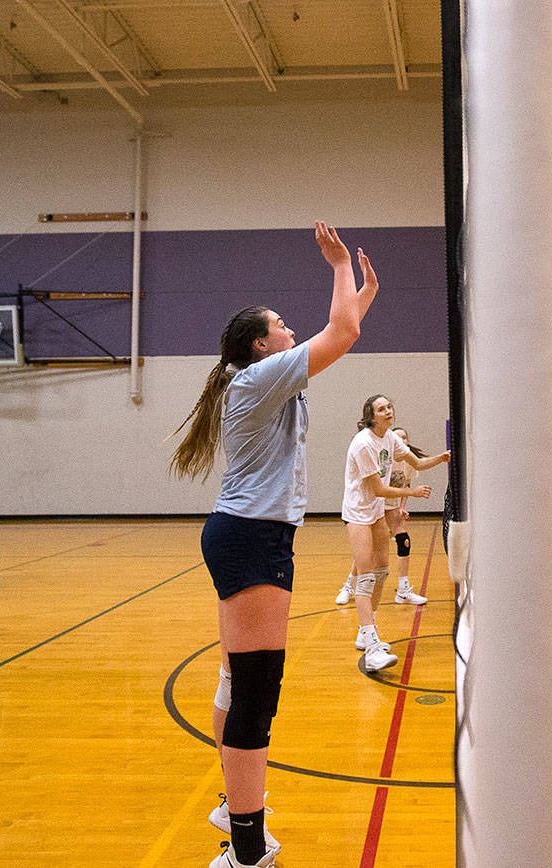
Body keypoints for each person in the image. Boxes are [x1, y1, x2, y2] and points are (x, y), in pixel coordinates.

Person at [168, 222, 377, 868]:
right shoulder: (257, 381)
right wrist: (340, 268)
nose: (293, 332)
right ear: (263, 345)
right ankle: (247, 848)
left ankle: (231, 809)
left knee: (239, 677)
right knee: (256, 694)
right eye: (283, 326)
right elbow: (341, 336)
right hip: (252, 539)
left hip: (245, 536)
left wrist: (361, 292)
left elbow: (342, 330)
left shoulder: (255, 377)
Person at [341, 395, 449, 671]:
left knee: (381, 572)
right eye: (381, 409)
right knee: (365, 577)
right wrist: (410, 493)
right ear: (370, 416)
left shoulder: (390, 438)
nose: (388, 411)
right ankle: (373, 647)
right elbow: (378, 489)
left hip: (376, 512)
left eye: (389, 407)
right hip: (358, 513)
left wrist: (443, 458)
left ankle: (367, 632)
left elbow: (417, 463)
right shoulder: (364, 443)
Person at [335, 425, 435, 607]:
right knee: (367, 553)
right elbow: (380, 489)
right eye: (398, 438)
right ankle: (349, 586)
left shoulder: (408, 464)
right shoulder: (381, 459)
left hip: (392, 508)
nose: (402, 441)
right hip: (378, 505)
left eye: (405, 438)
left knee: (404, 540)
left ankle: (403, 590)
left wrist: (402, 507)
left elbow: (405, 486)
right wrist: (413, 493)